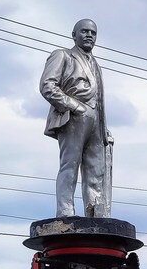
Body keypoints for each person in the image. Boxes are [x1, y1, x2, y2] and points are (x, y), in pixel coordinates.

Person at [40, 18, 113, 218]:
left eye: (93, 33)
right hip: (73, 116)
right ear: (74, 35)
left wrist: (104, 127)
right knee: (69, 165)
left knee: (96, 172)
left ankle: (96, 213)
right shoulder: (62, 55)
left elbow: (99, 98)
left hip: (96, 122)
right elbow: (47, 86)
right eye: (84, 31)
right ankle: (65, 212)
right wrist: (74, 106)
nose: (89, 35)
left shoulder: (96, 65)